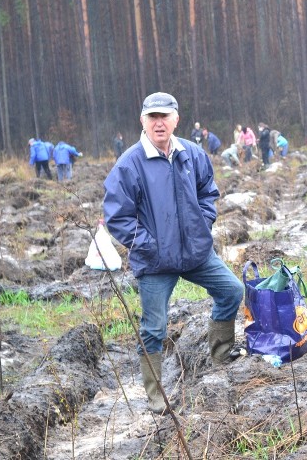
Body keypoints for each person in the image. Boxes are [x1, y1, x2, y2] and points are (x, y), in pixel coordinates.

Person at [103, 92, 244, 415]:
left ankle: (221, 352)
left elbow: (208, 191)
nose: (159, 122)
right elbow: (117, 215)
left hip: (194, 251)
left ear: (176, 119)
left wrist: (202, 222)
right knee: (154, 327)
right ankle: (155, 394)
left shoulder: (192, 154)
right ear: (143, 121)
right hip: (155, 263)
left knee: (232, 290)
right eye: (152, 117)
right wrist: (148, 245)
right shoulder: (130, 164)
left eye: (164, 116)